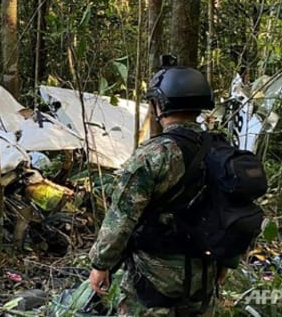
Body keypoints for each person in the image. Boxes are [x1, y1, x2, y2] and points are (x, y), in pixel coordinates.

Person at [87, 64, 229, 316]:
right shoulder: (221, 151)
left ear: (160, 106)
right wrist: (227, 262)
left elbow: (121, 217)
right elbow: (234, 209)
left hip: (154, 278)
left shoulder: (155, 154)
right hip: (204, 274)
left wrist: (101, 263)